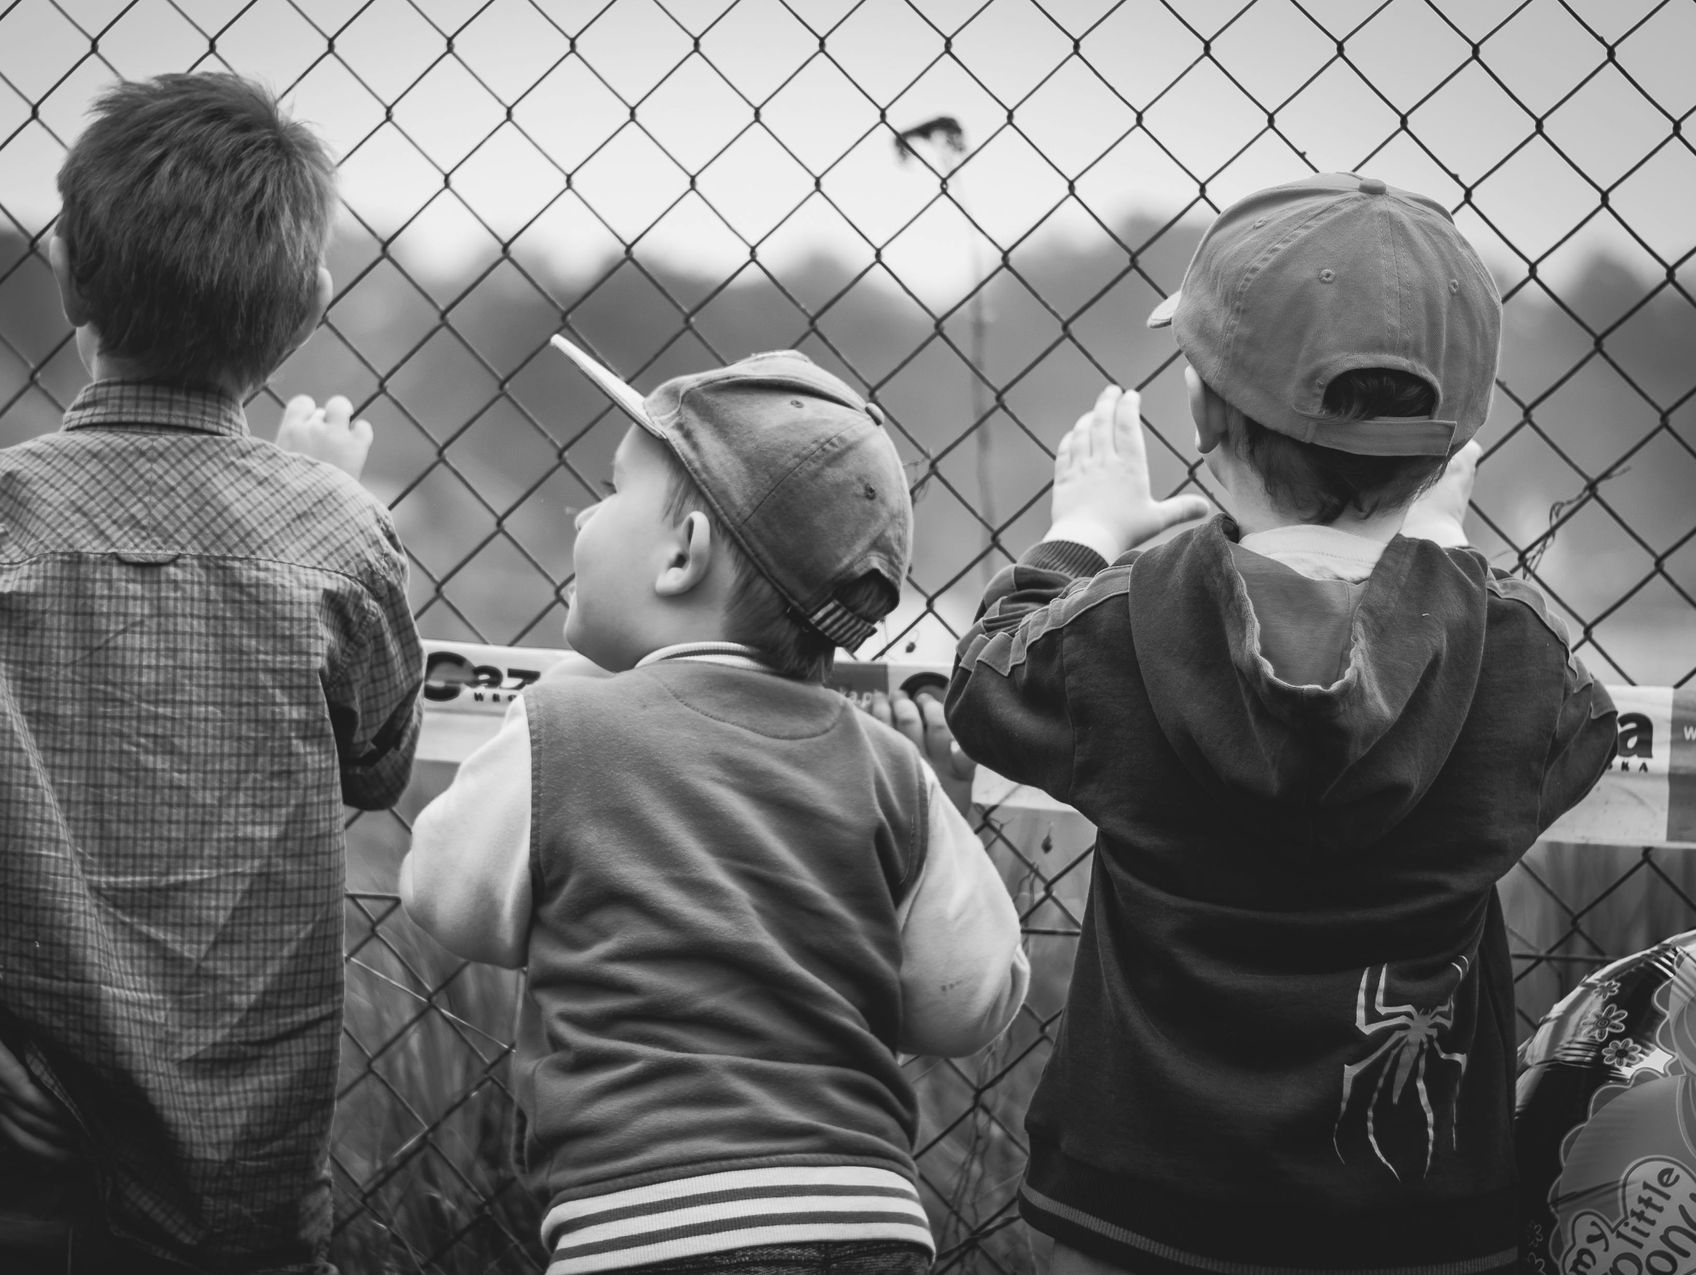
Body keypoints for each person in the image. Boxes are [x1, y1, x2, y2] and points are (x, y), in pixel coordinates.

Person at [0, 73, 423, 1273]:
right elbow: (378, 766)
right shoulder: (337, 536)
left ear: (73, 278)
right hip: (234, 1138)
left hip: (3, 1096)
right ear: (305, 315)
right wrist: (316, 491)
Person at [943, 173, 1618, 1275]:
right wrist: (1444, 560)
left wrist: (1082, 533)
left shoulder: (1122, 627)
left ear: (1207, 413)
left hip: (1134, 1217)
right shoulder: (1511, 663)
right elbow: (1580, 732)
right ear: (1454, 446)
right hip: (1420, 1228)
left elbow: (985, 682)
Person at [398, 338, 1029, 1275]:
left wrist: (586, 675)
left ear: (683, 555)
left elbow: (442, 895)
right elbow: (967, 1001)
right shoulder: (890, 767)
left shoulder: (564, 725)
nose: (586, 513)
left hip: (644, 1225)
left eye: (611, 490)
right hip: (870, 1215)